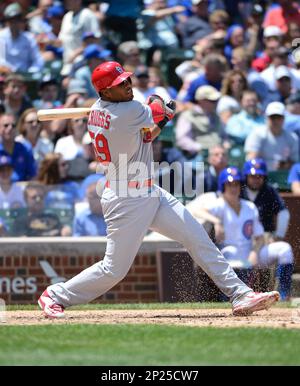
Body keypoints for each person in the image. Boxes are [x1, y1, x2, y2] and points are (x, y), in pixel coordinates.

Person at [38, 60, 279, 319]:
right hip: (126, 199)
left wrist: (162, 114)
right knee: (114, 269)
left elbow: (147, 133)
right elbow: (156, 112)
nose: (128, 86)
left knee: (196, 236)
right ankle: (55, 295)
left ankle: (240, 294)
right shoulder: (127, 112)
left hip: (146, 190)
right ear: (106, 92)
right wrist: (164, 110)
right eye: (120, 84)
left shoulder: (103, 110)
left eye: (127, 80)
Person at [196, 166, 294, 300]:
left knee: (284, 249)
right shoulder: (219, 204)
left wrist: (254, 252)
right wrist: (217, 221)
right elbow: (197, 211)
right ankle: (231, 298)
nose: (233, 188)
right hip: (228, 254)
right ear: (223, 186)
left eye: (236, 184)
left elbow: (259, 237)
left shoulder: (249, 206)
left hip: (250, 251)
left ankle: (284, 295)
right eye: (229, 184)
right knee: (231, 256)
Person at [245, 101, 299, 171]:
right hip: (260, 175)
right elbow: (251, 159)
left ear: (284, 118)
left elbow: (294, 162)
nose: (276, 120)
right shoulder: (257, 134)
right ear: (266, 118)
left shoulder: (292, 137)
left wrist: (285, 165)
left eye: (279, 117)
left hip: (283, 175)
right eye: (272, 117)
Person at [0, 3, 44, 73]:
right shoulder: (1, 37)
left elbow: (37, 60)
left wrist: (30, 72)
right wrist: (9, 70)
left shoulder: (29, 38)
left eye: (17, 20)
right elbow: (1, 60)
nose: (14, 23)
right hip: (6, 75)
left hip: (25, 75)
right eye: (11, 20)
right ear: (7, 22)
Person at [0, 113, 37, 182]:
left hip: (21, 190)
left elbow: (33, 175)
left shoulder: (26, 148)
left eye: (13, 125)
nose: (10, 128)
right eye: (6, 125)